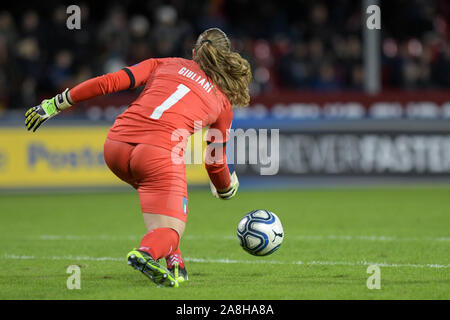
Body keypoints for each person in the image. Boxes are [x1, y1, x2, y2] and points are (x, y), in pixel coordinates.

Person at [24, 28, 252, 288]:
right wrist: (225, 188)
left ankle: (174, 262)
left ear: (193, 53)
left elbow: (107, 82)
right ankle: (146, 253)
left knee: (162, 213)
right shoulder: (222, 103)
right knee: (171, 231)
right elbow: (214, 161)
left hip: (116, 146)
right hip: (157, 155)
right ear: (226, 57)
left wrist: (56, 104)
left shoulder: (163, 63)